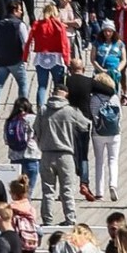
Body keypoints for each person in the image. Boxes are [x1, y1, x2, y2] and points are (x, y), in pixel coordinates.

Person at [35, 82, 90, 227]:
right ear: (66, 94)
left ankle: (47, 220)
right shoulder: (70, 111)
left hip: (46, 153)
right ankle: (70, 219)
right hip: (66, 154)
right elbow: (85, 125)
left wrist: (42, 144)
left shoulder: (43, 110)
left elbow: (36, 131)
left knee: (47, 190)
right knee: (67, 189)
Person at [23, 2, 71, 109]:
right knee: (58, 85)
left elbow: (28, 41)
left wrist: (25, 56)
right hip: (56, 58)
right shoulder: (59, 25)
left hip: (41, 57)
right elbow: (64, 44)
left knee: (42, 86)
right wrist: (67, 60)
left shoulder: (37, 24)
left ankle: (40, 107)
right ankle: (58, 106)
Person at [0, 0, 29, 120]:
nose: (21, 12)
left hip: (1, 59)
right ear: (15, 10)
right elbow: (25, 42)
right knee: (23, 85)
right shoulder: (19, 25)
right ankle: (23, 108)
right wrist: (26, 57)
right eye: (20, 10)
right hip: (16, 59)